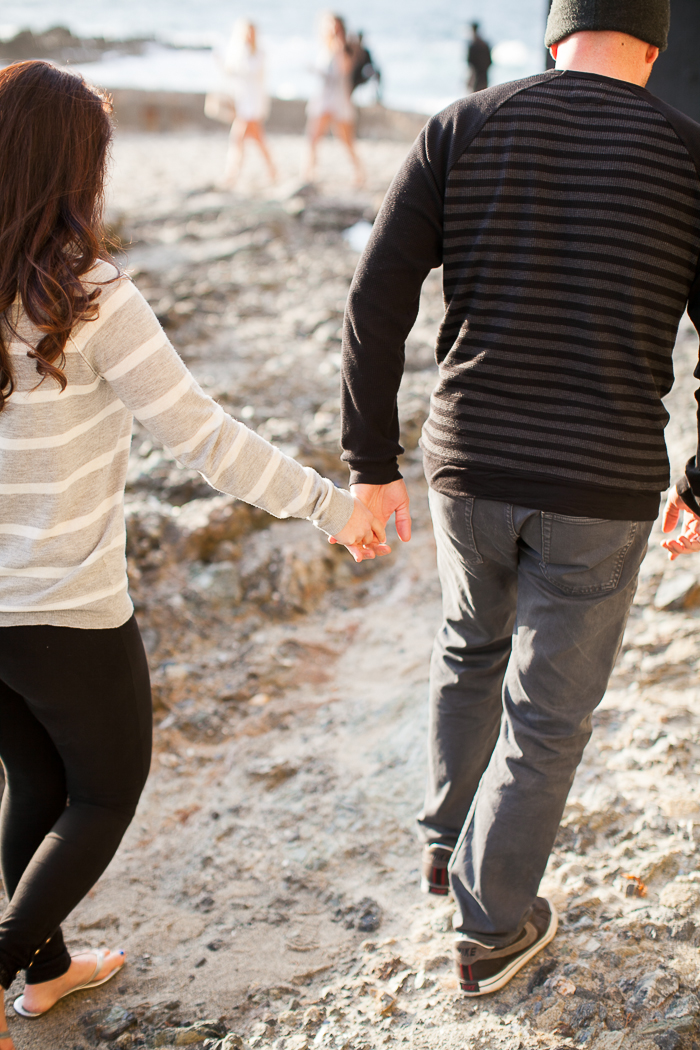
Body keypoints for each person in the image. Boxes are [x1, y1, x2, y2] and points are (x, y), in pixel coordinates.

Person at [0, 59, 388, 1047]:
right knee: (102, 792)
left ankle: (41, 976)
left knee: (38, 788)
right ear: (72, 168)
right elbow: (206, 439)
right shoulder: (89, 297)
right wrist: (332, 508)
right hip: (65, 606)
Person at [339, 0, 697, 997]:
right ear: (656, 43)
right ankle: (491, 928)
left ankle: (443, 845)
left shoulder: (463, 125)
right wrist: (699, 483)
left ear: (551, 33)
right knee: (546, 718)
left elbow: (374, 296)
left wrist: (371, 461)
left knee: (467, 647)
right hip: (603, 480)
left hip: (470, 465)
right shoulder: (685, 151)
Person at [305, 13, 365, 187]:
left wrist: (339, 46)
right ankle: (309, 174)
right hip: (323, 98)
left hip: (339, 100)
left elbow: (344, 70)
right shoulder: (324, 47)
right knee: (313, 138)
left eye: (335, 26)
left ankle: (359, 173)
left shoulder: (347, 48)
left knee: (346, 140)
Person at [222, 20, 276, 186]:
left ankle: (232, 174)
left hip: (252, 104)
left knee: (238, 139)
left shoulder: (258, 54)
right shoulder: (238, 52)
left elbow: (249, 71)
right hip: (242, 102)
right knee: (255, 141)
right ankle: (272, 171)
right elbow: (231, 73)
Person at [349, 31, 381, 102]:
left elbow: (371, 64)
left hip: (364, 74)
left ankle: (377, 96)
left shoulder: (365, 52)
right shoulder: (353, 51)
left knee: (376, 72)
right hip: (355, 75)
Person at [467, 22, 492, 93]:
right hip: (484, 76)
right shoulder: (485, 44)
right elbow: (490, 62)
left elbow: (470, 63)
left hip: (476, 76)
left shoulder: (473, 45)